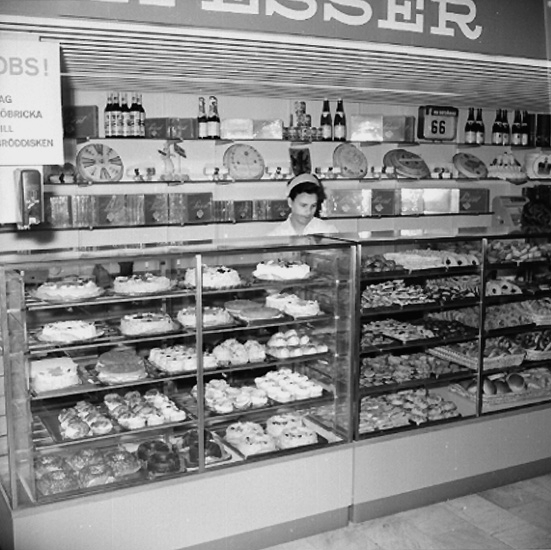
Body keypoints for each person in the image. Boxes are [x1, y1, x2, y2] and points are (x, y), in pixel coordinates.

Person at [268, 173, 338, 236]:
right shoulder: (276, 235)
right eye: (303, 205)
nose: (308, 211)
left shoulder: (328, 231)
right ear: (290, 202)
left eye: (313, 206)